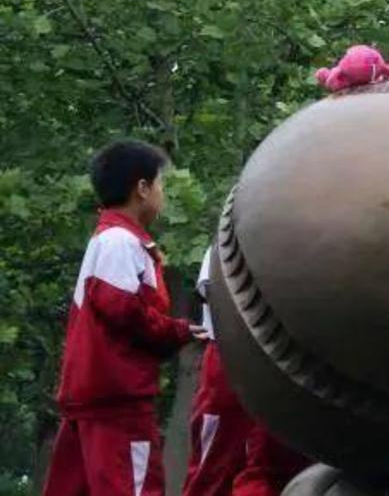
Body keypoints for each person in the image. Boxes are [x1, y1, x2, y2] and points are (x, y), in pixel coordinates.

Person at [45, 140, 206, 496]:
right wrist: (175, 331)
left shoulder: (109, 238)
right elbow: (122, 309)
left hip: (94, 400)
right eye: (160, 184)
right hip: (118, 401)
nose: (163, 194)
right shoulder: (120, 240)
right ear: (142, 188)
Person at [178, 250, 249, 496]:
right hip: (227, 355)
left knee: (261, 464)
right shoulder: (224, 243)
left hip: (272, 366)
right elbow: (213, 291)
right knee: (214, 462)